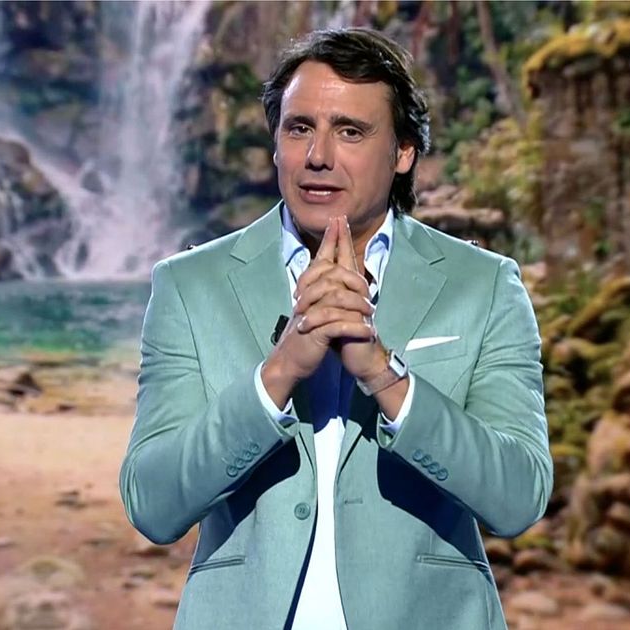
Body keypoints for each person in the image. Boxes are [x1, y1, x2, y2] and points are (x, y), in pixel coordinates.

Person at [119, 27, 551, 630]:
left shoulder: (484, 285)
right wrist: (278, 375)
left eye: (350, 131)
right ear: (275, 143)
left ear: (404, 152)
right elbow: (153, 503)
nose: (318, 155)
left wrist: (384, 374)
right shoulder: (189, 285)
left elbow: (519, 496)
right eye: (300, 128)